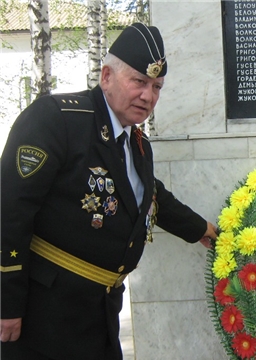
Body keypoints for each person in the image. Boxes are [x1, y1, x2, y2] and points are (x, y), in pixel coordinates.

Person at [0, 23, 218, 360]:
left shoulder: (136, 141)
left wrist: (200, 228)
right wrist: (6, 303)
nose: (149, 96)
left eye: (157, 86)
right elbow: (10, 211)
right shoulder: (57, 120)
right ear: (106, 77)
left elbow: (148, 195)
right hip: (43, 317)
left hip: (99, 314)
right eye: (139, 82)